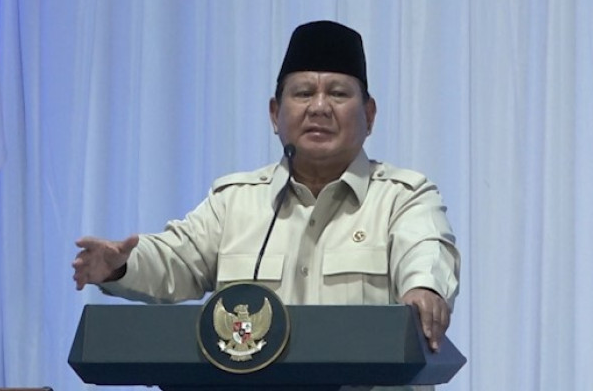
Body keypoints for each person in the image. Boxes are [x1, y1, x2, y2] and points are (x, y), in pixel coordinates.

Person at [72, 20, 460, 391]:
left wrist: (424, 288)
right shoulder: (235, 201)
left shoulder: (403, 196)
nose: (319, 107)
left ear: (369, 115)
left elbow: (426, 250)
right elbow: (176, 259)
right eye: (303, 93)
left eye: (338, 94)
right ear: (275, 114)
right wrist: (120, 264)